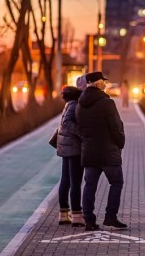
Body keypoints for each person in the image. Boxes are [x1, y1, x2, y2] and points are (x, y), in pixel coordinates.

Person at [76, 71, 127, 231]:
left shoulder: (80, 104)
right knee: (116, 182)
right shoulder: (107, 103)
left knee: (89, 185)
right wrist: (120, 143)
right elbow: (116, 126)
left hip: (89, 151)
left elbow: (79, 129)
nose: (105, 84)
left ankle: (89, 220)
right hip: (107, 151)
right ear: (97, 83)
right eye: (103, 82)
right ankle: (110, 217)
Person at [56, 85, 85, 226]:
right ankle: (77, 214)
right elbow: (67, 123)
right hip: (73, 148)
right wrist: (82, 133)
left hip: (65, 147)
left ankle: (63, 213)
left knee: (66, 180)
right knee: (75, 182)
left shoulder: (68, 105)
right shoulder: (74, 106)